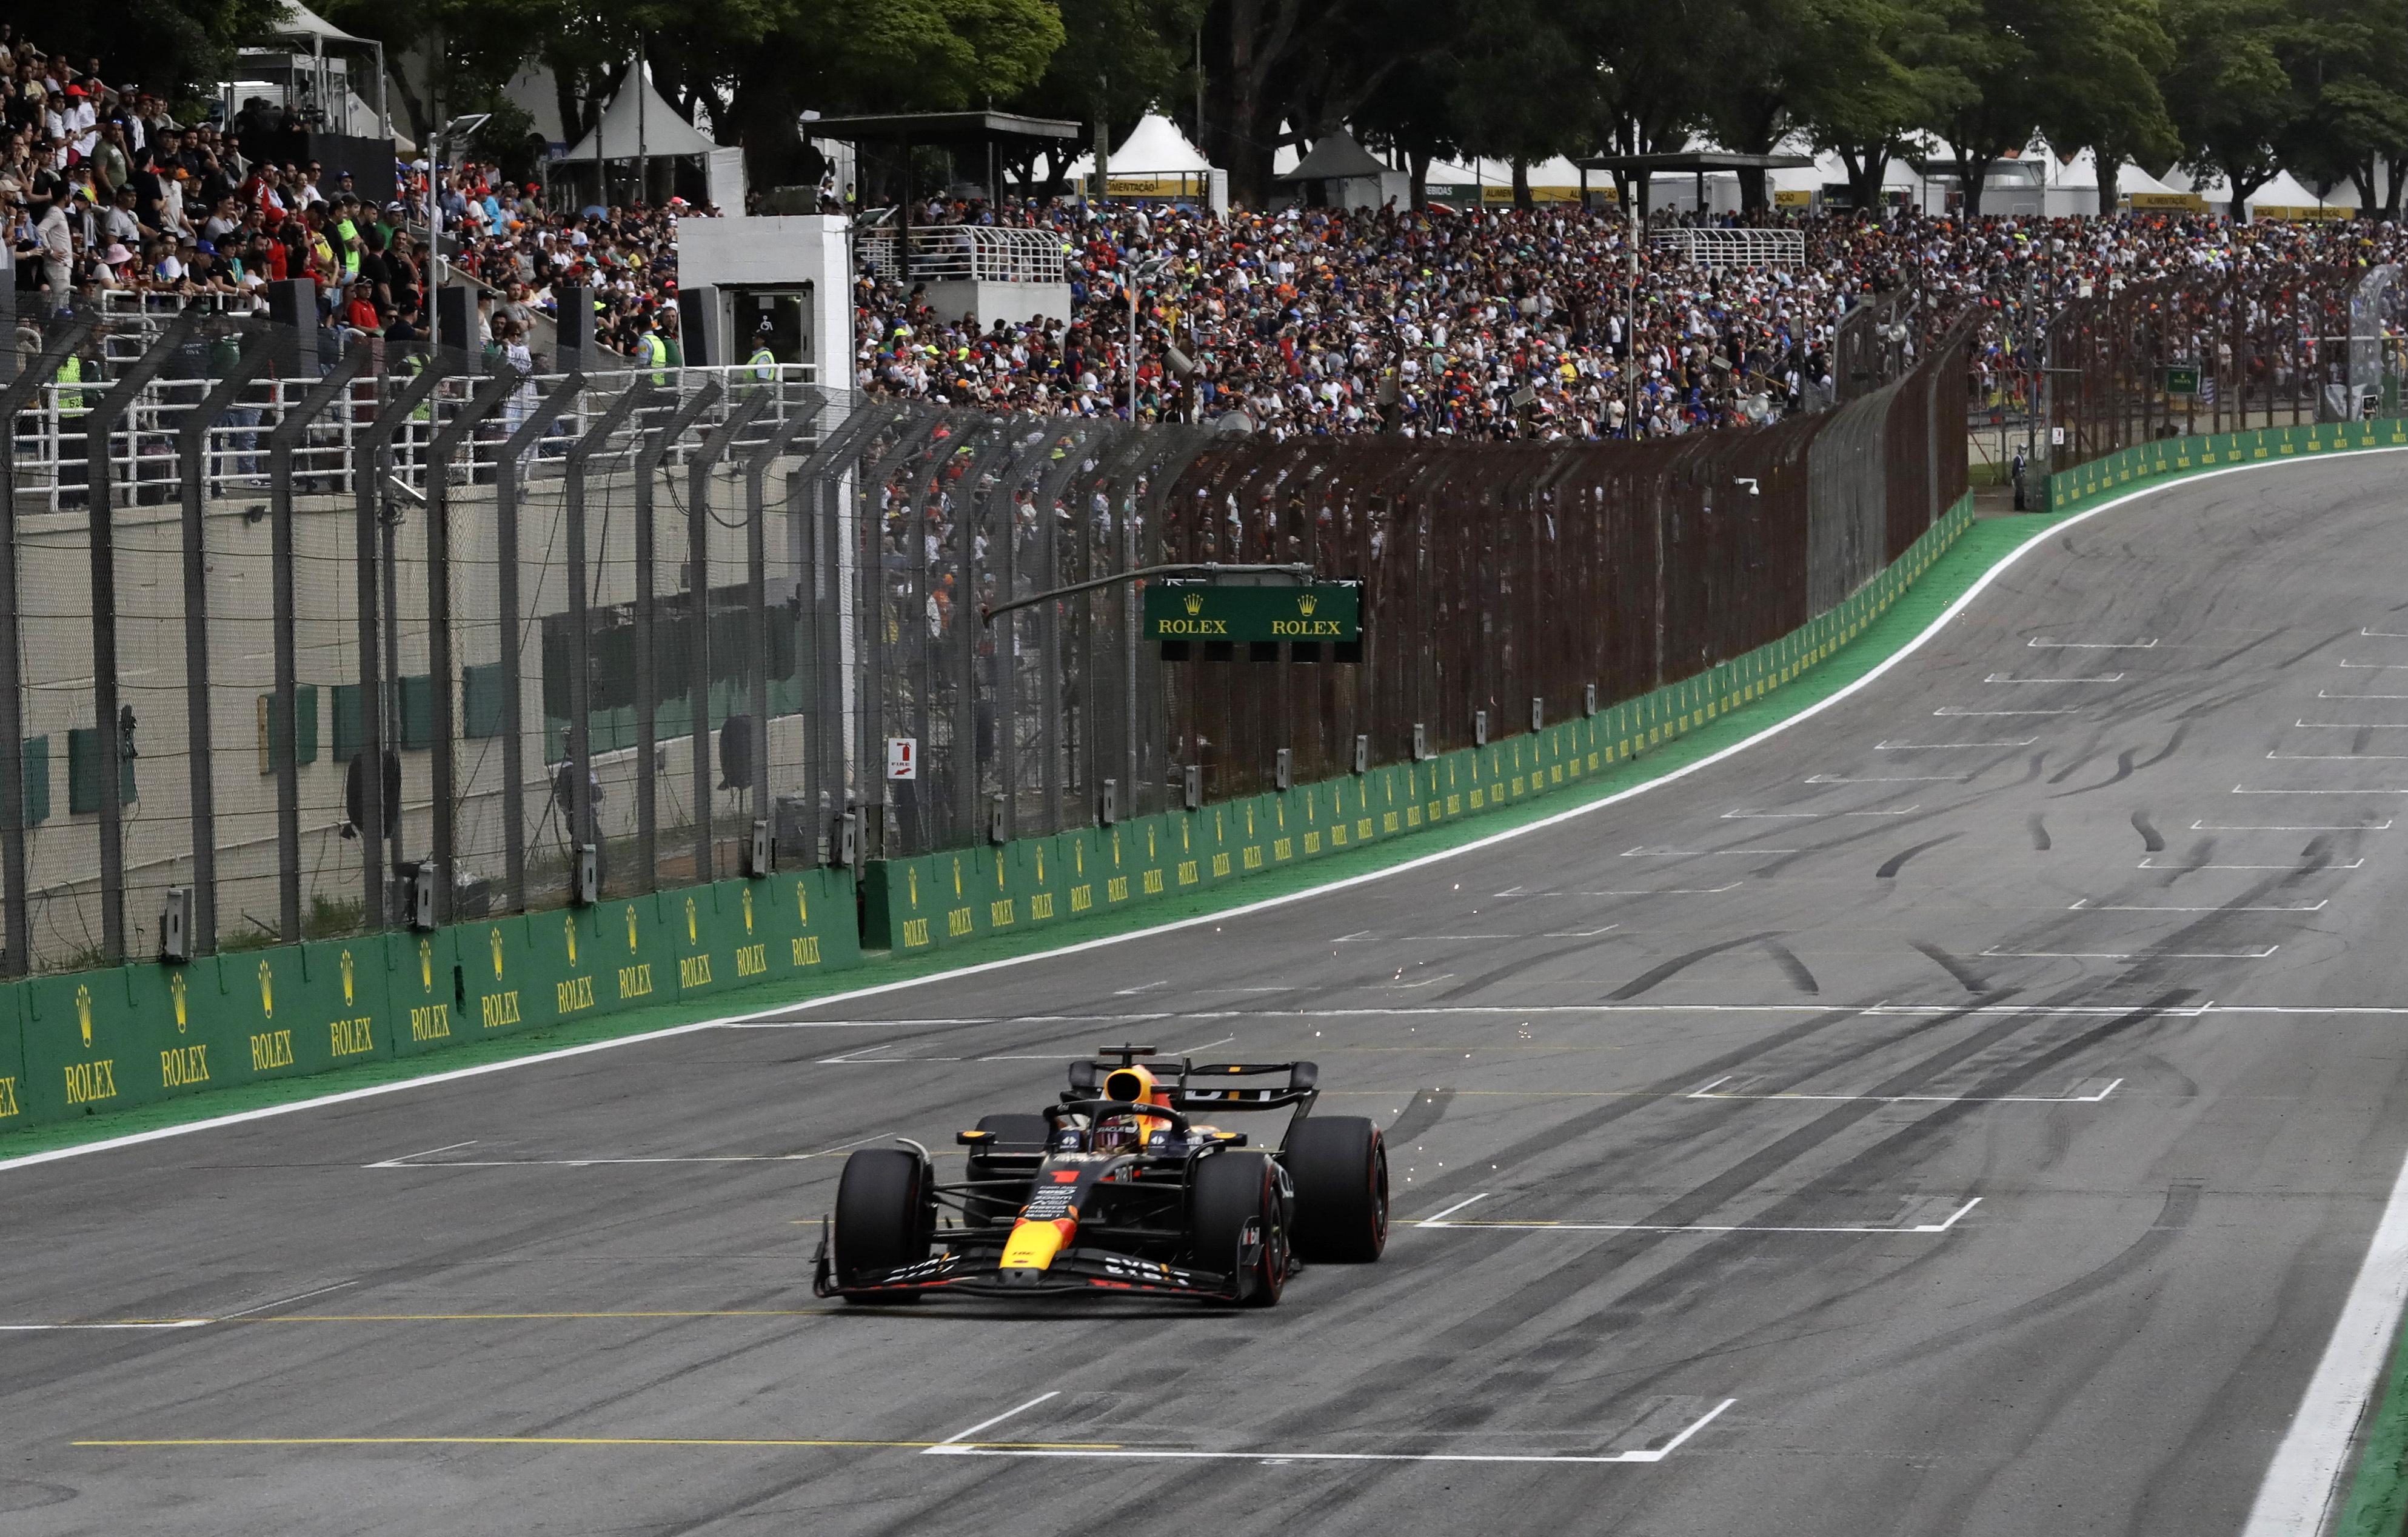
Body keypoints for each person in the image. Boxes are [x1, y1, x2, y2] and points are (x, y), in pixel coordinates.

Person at [2011, 444, 2028, 512]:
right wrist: (2013, 476)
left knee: (2021, 491)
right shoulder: (2017, 458)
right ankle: (2018, 507)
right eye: (2022, 449)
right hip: (2018, 476)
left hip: (2021, 476)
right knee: (2019, 491)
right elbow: (2015, 467)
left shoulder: (2020, 457)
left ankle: (2021, 506)